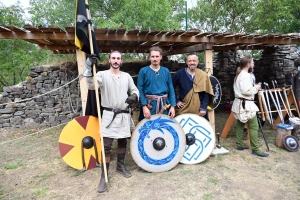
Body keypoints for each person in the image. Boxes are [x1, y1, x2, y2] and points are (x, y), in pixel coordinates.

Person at [84, 51, 139, 193]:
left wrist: (134, 96)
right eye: (113, 58)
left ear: (121, 61)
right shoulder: (102, 75)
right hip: (109, 115)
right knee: (106, 145)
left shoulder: (126, 76)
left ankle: (120, 166)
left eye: (118, 58)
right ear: (109, 60)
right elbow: (91, 85)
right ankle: (104, 176)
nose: (116, 61)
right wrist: (89, 66)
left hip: (123, 115)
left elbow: (135, 90)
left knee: (122, 142)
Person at [231, 55, 269, 157]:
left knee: (240, 123)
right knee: (254, 126)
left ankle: (239, 144)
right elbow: (246, 91)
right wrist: (256, 88)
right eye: (252, 62)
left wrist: (253, 86)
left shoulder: (240, 75)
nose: (253, 64)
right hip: (245, 104)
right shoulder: (245, 75)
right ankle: (256, 149)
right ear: (248, 64)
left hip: (241, 103)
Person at [137, 46, 176, 120]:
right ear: (150, 57)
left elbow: (171, 89)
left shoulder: (166, 71)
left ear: (161, 57)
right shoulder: (143, 71)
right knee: (147, 128)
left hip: (164, 105)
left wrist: (173, 106)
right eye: (153, 56)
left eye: (157, 56)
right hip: (150, 105)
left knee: (164, 128)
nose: (155, 59)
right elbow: (140, 89)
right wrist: (144, 106)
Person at [172, 53, 214, 120]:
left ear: (197, 62)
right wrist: (176, 101)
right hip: (183, 109)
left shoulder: (203, 75)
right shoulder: (180, 73)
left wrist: (203, 108)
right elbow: (171, 88)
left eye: (194, 61)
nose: (192, 63)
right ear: (186, 62)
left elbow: (207, 93)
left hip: (199, 110)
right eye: (190, 61)